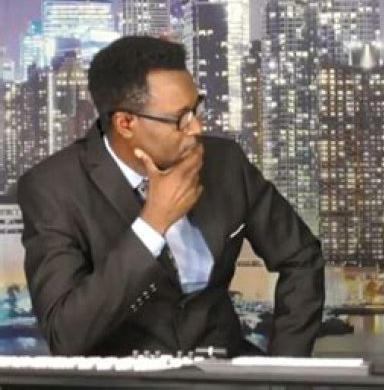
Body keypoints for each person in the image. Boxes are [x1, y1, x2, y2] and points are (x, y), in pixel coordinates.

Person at [18, 36, 325, 357]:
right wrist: (153, 223)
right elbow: (65, 334)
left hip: (227, 371)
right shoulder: (53, 187)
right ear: (126, 123)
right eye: (180, 118)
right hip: (124, 378)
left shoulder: (225, 162)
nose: (196, 128)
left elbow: (301, 258)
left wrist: (283, 369)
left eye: (196, 109)